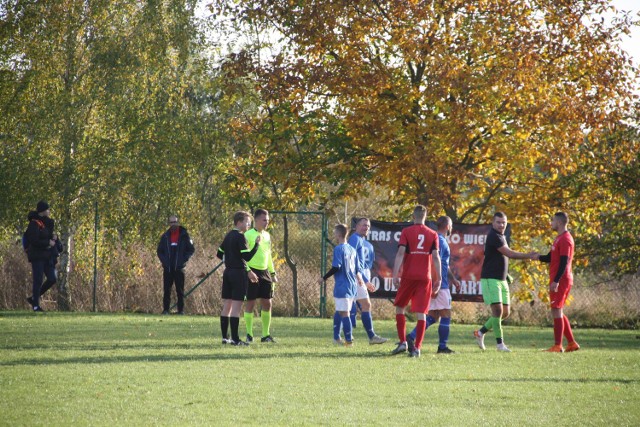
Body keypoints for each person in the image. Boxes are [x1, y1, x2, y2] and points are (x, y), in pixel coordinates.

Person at [473, 212, 537, 352]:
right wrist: (529, 256)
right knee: (497, 311)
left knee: (505, 313)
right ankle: (500, 345)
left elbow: (500, 257)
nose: (501, 225)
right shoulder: (494, 236)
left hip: (501, 279)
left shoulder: (501, 235)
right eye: (498, 222)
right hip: (491, 279)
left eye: (504, 222)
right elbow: (510, 253)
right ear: (493, 223)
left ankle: (480, 332)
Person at [391, 205, 442, 358]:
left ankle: (402, 342)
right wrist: (439, 278)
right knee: (422, 314)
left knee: (400, 308)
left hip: (408, 276)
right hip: (424, 277)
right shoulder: (433, 234)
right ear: (425, 217)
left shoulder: (406, 232)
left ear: (413, 216)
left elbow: (400, 253)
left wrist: (395, 275)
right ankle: (417, 348)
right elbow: (436, 257)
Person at [406, 215, 461, 353]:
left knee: (432, 316)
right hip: (439, 284)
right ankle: (442, 347)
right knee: (446, 314)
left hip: (434, 282)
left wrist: (453, 279)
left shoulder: (435, 239)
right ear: (448, 226)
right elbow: (433, 262)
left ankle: (412, 336)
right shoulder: (440, 241)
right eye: (451, 226)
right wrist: (437, 282)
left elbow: (443, 264)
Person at [537, 212, 580, 352]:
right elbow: (551, 257)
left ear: (560, 223)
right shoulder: (559, 238)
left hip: (561, 280)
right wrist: (535, 256)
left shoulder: (566, 239)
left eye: (553, 221)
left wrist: (556, 280)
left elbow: (564, 261)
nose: (551, 223)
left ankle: (557, 345)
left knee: (556, 310)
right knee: (558, 311)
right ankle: (572, 343)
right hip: (558, 279)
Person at [217, 211, 261, 346]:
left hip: (228, 272)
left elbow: (219, 254)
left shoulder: (228, 235)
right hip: (238, 274)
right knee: (236, 307)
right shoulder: (240, 237)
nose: (248, 225)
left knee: (227, 306)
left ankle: (225, 337)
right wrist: (256, 245)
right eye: (247, 222)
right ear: (239, 222)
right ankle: (235, 340)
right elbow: (247, 257)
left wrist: (229, 260)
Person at [318, 224, 363, 347]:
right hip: (352, 286)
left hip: (342, 285)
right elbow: (357, 269)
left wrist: (324, 278)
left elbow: (336, 267)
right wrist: (359, 279)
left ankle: (348, 340)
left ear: (338, 234)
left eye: (334, 232)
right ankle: (336, 337)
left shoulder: (338, 249)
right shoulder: (352, 250)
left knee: (344, 313)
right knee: (339, 311)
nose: (334, 234)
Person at [347, 218, 387, 344]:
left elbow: (364, 262)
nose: (366, 228)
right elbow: (352, 260)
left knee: (358, 305)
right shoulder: (355, 238)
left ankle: (366, 337)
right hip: (356, 276)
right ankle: (368, 336)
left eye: (368, 226)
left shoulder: (364, 242)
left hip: (360, 275)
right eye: (364, 225)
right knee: (359, 305)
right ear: (357, 226)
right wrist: (363, 279)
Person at [243, 209, 278, 343]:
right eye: (264, 220)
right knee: (250, 302)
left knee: (267, 302)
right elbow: (243, 257)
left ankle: (265, 335)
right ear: (256, 220)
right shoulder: (248, 235)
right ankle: (249, 334)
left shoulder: (268, 235)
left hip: (265, 272)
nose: (266, 222)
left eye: (268, 220)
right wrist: (248, 271)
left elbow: (268, 255)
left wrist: (273, 272)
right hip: (252, 271)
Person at [157, 215, 195, 315]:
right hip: (168, 268)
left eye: (175, 222)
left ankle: (181, 310)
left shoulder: (184, 235)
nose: (173, 224)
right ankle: (166, 310)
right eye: (171, 222)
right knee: (166, 290)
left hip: (179, 268)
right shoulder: (165, 236)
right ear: (169, 224)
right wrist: (164, 262)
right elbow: (159, 251)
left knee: (180, 290)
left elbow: (191, 249)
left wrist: (183, 260)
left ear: (178, 222)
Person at [25, 201, 56, 312]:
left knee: (52, 278)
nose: (49, 211)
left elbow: (47, 235)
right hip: (37, 256)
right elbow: (34, 240)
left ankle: (34, 298)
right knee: (38, 280)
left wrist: (54, 238)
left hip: (47, 255)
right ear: (43, 211)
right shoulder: (34, 224)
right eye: (47, 209)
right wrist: (48, 242)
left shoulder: (49, 223)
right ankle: (36, 306)